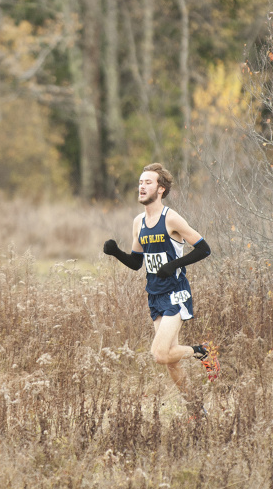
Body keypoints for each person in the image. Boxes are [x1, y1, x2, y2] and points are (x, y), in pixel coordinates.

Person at [103, 163, 212, 397]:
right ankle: (195, 409)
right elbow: (136, 262)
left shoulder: (171, 218)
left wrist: (173, 265)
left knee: (160, 354)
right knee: (171, 360)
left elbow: (204, 249)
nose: (142, 187)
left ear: (160, 189)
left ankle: (202, 351)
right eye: (140, 183)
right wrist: (115, 252)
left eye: (148, 183)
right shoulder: (138, 222)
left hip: (175, 292)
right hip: (155, 294)